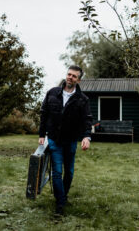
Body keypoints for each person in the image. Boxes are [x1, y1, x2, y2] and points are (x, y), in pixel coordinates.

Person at [38, 65, 92, 215]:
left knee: (69, 172)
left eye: (74, 76)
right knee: (57, 172)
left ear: (79, 80)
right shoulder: (52, 93)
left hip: (71, 141)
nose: (70, 77)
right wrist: (42, 134)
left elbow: (87, 119)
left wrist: (87, 136)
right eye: (69, 74)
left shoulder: (83, 99)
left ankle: (63, 195)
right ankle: (60, 203)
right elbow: (44, 114)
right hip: (54, 139)